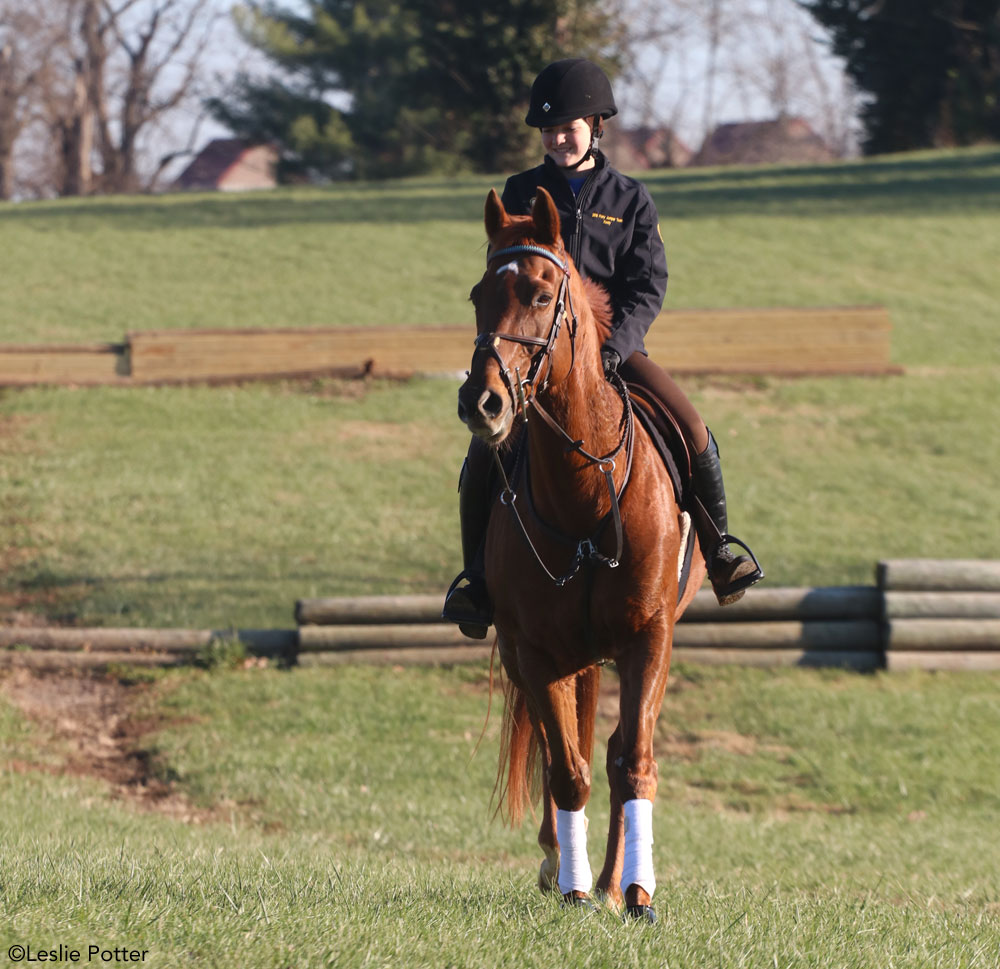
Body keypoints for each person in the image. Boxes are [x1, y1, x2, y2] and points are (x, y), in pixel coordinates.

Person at [443, 58, 762, 638]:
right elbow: (511, 277)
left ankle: (720, 554)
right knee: (481, 456)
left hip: (614, 351)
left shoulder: (631, 198)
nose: (558, 138)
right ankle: (476, 582)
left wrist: (616, 346)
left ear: (596, 124)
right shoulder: (520, 191)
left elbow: (648, 284)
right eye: (548, 129)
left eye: (568, 126)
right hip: (540, 356)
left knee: (692, 429)